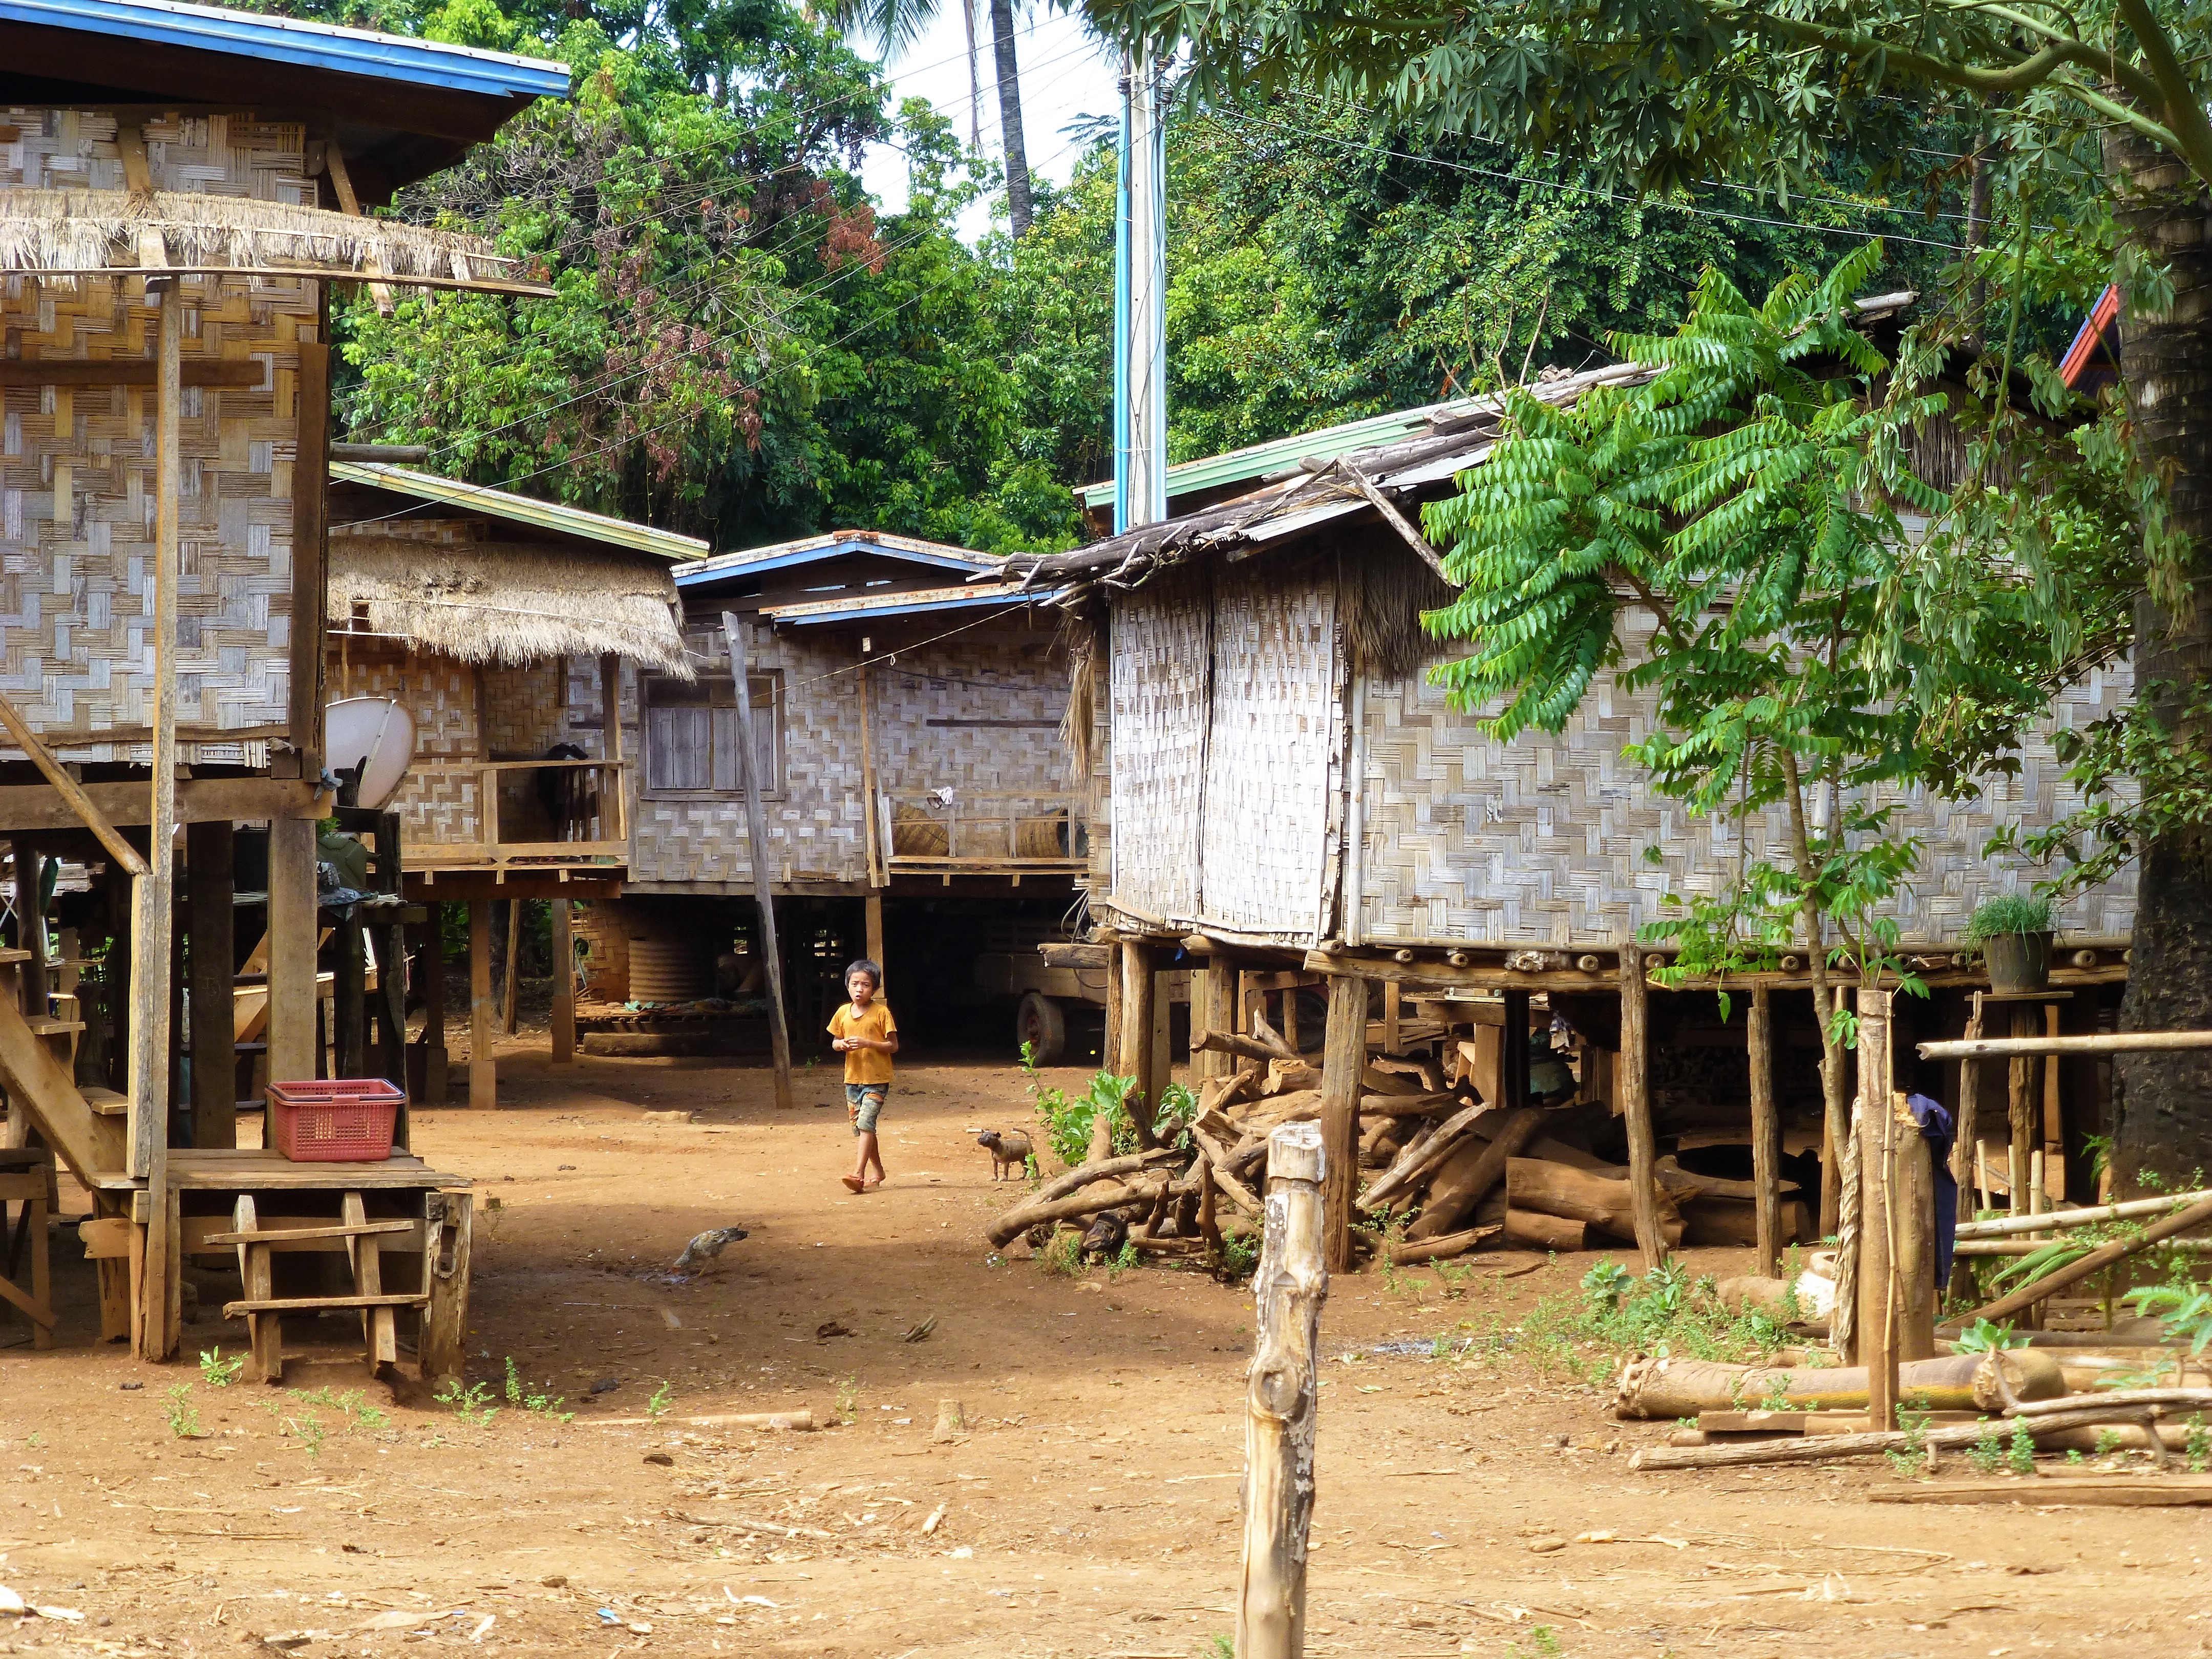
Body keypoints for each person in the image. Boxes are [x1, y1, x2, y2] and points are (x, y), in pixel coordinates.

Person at [828, 959, 898, 1193]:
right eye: (855, 984)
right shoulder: (842, 1013)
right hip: (853, 1080)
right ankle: (879, 1171)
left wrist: (868, 1043)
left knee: (866, 1123)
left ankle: (858, 1174)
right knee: (863, 1128)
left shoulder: (882, 1012)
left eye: (866, 985)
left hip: (877, 1079)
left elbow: (893, 1046)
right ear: (847, 985)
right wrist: (841, 1046)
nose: (860, 989)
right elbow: (835, 1041)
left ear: (874, 988)